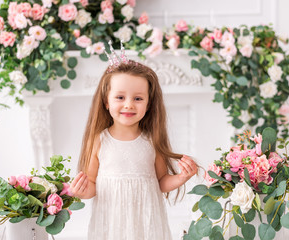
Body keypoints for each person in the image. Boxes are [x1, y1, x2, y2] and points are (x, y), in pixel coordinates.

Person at [70, 41, 198, 240]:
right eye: (120, 97)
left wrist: (182, 177)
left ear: (148, 104)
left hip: (146, 222)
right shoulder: (99, 140)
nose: (129, 105)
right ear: (106, 101)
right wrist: (81, 191)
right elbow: (93, 184)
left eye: (138, 98)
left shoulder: (151, 140)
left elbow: (161, 181)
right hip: (111, 222)